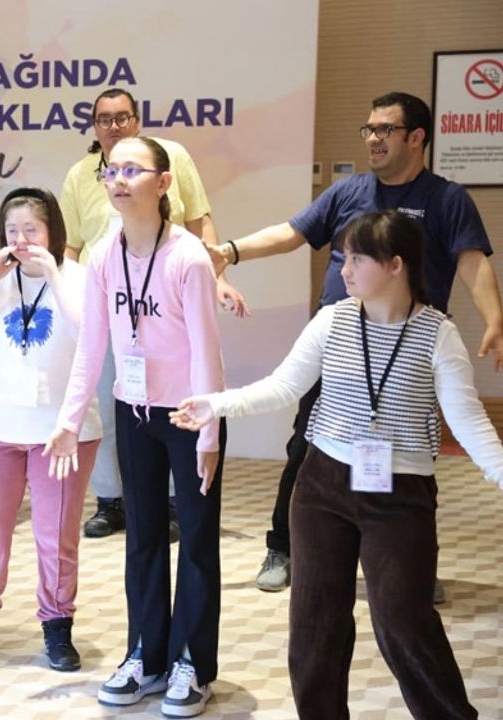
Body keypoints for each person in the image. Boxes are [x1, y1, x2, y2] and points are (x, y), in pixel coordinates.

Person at [172, 210, 500, 720]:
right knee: (315, 622)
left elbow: (469, 422)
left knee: (403, 619)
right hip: (322, 486)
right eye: (343, 258)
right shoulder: (333, 319)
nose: (343, 270)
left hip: (401, 494)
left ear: (395, 265)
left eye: (356, 259)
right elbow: (284, 387)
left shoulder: (438, 335)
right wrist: (216, 404)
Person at [209, 91, 502, 595]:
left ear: (416, 137)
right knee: (306, 448)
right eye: (368, 129)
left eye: (385, 129)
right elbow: (291, 232)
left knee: (411, 460)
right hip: (341, 345)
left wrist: (494, 318)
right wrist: (231, 252)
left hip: (407, 350)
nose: (373, 139)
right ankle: (283, 547)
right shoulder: (348, 191)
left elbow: (472, 261)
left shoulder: (446, 199)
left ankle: (410, 561)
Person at [46, 137, 226, 718]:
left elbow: (207, 351)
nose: (118, 179)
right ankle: (147, 656)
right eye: (111, 170)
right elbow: (91, 344)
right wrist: (69, 419)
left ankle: (192, 662)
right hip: (135, 411)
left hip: (189, 413)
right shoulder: (103, 255)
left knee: (195, 537)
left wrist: (209, 432)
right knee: (143, 535)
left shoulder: (188, 258)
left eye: (132, 169)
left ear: (164, 183)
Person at [57, 89, 244, 543]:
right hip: (114, 316)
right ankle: (111, 500)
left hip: (170, 320)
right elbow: (72, 248)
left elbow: (200, 220)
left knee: (180, 408)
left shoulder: (171, 161)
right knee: (111, 407)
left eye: (122, 117)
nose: (114, 126)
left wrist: (218, 275)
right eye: (104, 119)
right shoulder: (83, 184)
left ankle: (179, 502)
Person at [0, 188, 100, 671]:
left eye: (32, 230)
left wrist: (53, 273)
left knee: (56, 536)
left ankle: (57, 626)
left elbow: (90, 335)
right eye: (12, 231)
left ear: (53, 231)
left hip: (63, 432)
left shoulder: (79, 277)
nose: (22, 240)